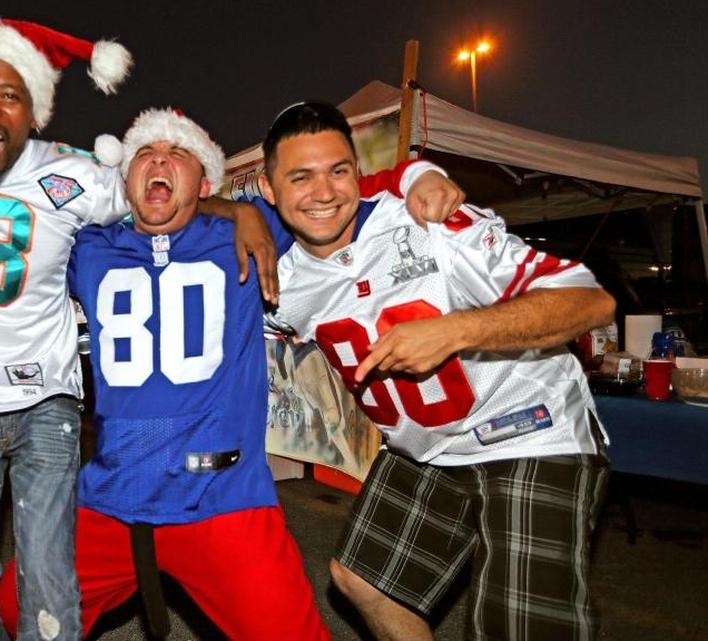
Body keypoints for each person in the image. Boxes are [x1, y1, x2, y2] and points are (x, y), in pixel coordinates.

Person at [0, 108, 464, 641]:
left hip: (222, 498)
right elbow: (23, 199)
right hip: (111, 498)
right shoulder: (91, 248)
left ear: (205, 178)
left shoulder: (242, 237)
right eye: (145, 154)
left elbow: (327, 193)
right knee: (14, 610)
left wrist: (417, 175)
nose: (160, 161)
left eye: (179, 155)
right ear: (124, 179)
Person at [258, 101, 615, 641]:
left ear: (358, 170)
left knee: (514, 627)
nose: (325, 192)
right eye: (300, 177)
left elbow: (590, 302)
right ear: (269, 189)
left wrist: (454, 330)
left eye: (338, 170)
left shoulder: (428, 221)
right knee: (363, 581)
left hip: (531, 427)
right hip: (430, 448)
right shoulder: (281, 282)